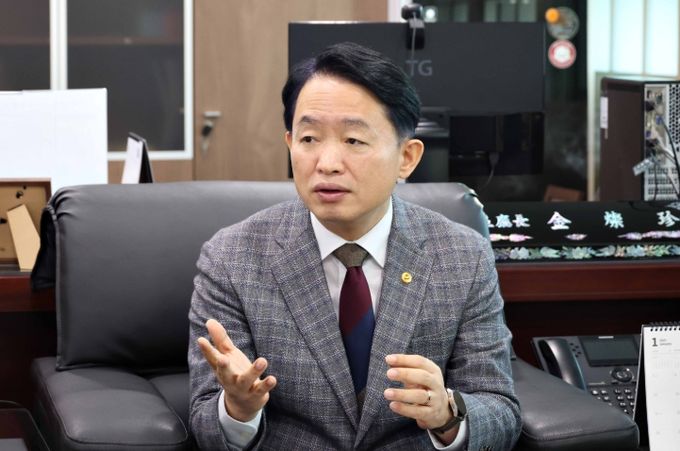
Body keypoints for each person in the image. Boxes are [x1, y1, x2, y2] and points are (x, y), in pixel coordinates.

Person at [188, 42, 521, 450]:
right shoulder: (231, 258)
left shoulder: (462, 257)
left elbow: (500, 410)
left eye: (354, 140)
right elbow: (205, 423)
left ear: (407, 157)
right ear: (290, 144)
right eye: (309, 138)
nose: (327, 162)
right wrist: (238, 410)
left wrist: (448, 414)